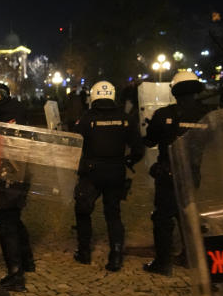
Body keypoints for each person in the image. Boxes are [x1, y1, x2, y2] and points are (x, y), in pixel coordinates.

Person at [72, 80, 142, 271]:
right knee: (113, 214)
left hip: (91, 173)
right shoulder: (125, 118)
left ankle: (84, 252)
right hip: (116, 172)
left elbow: (74, 144)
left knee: (83, 211)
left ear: (93, 96)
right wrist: (129, 161)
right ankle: (116, 256)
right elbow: (138, 148)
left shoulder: (86, 119)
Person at [143, 71, 208, 275]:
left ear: (175, 91)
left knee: (163, 218)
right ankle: (190, 256)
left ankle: (163, 263)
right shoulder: (208, 114)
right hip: (193, 173)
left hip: (168, 174)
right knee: (186, 215)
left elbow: (150, 140)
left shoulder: (164, 114)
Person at [0, 81, 34, 291]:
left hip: (13, 170)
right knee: (13, 215)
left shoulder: (5, 114)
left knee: (6, 219)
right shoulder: (13, 109)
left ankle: (15, 274)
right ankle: (27, 260)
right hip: (19, 170)